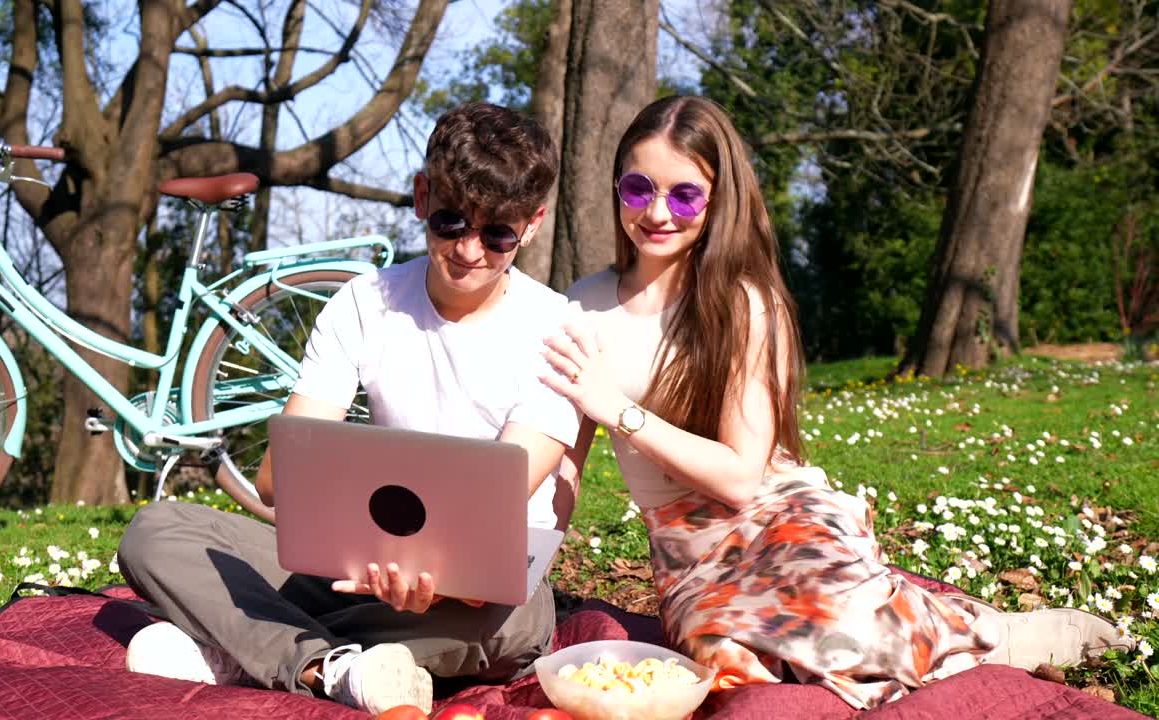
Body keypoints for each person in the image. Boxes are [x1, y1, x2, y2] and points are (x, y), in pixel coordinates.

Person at [542, 95, 1130, 709]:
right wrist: (529, 569)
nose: (658, 211)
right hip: (685, 553)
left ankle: (989, 634)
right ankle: (900, 622)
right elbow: (566, 463)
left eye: (684, 194)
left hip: (775, 513)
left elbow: (742, 479)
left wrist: (620, 410)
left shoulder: (744, 303)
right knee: (728, 663)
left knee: (837, 621)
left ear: (719, 202)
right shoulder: (583, 306)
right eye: (638, 188)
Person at [117, 102, 580, 716]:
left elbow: (489, 513)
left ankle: (260, 647)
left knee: (516, 629)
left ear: (533, 224)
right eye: (450, 222)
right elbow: (280, 482)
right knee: (156, 532)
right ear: (421, 197)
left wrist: (437, 580)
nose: (470, 250)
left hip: (479, 597)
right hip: (350, 565)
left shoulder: (558, 331)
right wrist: (366, 551)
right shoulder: (364, 303)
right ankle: (327, 664)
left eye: (497, 234)